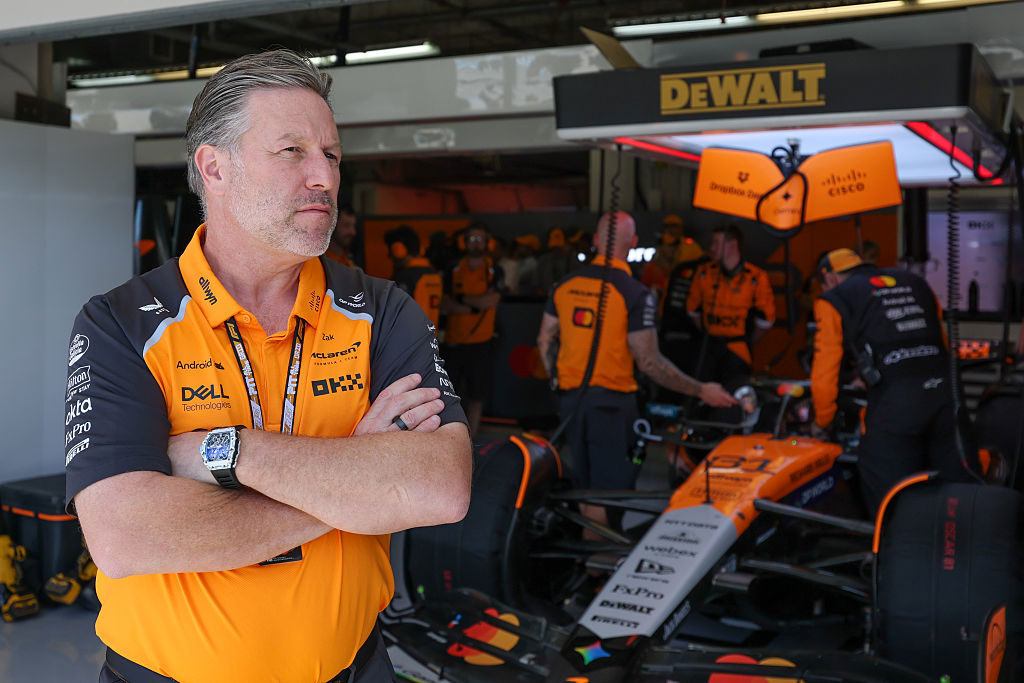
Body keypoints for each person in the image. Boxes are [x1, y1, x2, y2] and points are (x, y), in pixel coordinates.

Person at [64, 50, 472, 683]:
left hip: (354, 669)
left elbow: (440, 487)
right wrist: (360, 485)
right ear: (214, 167)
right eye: (293, 152)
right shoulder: (122, 323)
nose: (325, 178)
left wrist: (227, 453)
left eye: (331, 155)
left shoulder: (383, 311)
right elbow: (126, 538)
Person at [536, 212, 735, 529]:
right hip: (611, 408)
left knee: (587, 489)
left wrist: (557, 382)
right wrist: (701, 390)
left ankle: (588, 563)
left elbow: (545, 337)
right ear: (633, 245)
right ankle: (597, 568)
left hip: (571, 403)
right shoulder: (634, 292)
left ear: (597, 241)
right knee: (607, 496)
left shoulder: (566, 285)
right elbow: (649, 362)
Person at [811, 248, 979, 514]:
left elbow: (824, 377)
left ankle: (893, 551)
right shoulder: (916, 282)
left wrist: (822, 422)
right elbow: (941, 344)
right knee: (964, 498)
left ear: (829, 278)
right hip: (947, 397)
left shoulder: (833, 300)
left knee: (893, 506)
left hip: (896, 408)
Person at [686, 224, 775, 387]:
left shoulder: (756, 277)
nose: (711, 248)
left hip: (738, 349)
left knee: (737, 397)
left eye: (716, 243)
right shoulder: (703, 272)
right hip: (708, 348)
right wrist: (710, 334)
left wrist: (746, 341)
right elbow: (693, 312)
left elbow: (766, 321)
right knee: (702, 397)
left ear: (733, 245)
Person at [442, 223, 502, 435]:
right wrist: (474, 305)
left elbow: (492, 300)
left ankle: (472, 441)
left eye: (480, 239)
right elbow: (446, 305)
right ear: (464, 243)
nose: (476, 244)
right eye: (472, 239)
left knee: (477, 397)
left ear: (488, 243)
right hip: (454, 342)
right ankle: (451, 438)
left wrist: (462, 303)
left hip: (481, 343)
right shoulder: (454, 269)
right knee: (449, 396)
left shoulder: (494, 269)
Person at [385, 224, 443, 329]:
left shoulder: (405, 276)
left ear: (398, 250)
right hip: (430, 339)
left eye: (391, 250)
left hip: (409, 339)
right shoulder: (434, 273)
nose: (390, 255)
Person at [325, 203, 360, 269]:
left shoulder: (351, 259)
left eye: (354, 226)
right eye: (346, 225)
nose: (353, 232)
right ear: (333, 226)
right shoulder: (323, 262)